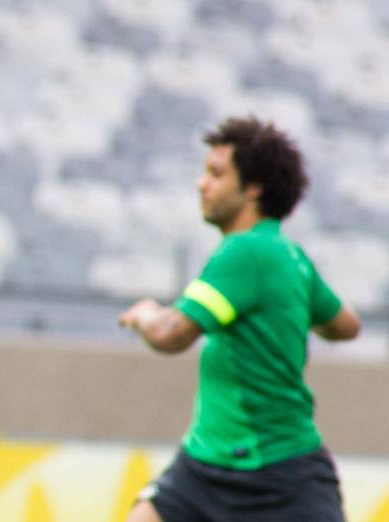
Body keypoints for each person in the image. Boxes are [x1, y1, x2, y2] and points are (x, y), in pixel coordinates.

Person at [119, 116, 361, 522]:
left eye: (216, 174)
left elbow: (170, 335)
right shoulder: (290, 256)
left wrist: (145, 314)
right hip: (205, 465)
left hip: (277, 472)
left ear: (253, 189)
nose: (202, 184)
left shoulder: (243, 253)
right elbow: (346, 325)